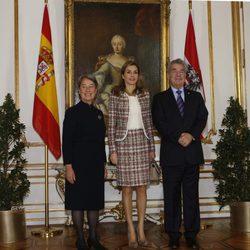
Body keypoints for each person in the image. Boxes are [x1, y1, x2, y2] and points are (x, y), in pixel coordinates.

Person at [152, 58, 208, 249]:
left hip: (192, 154)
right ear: (168, 75)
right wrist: (179, 136)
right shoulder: (159, 99)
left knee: (191, 196)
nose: (177, 74)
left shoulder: (195, 97)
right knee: (172, 197)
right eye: (174, 71)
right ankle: (173, 234)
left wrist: (191, 135)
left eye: (181, 71)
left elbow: (202, 118)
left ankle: (192, 234)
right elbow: (160, 123)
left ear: (185, 75)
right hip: (172, 155)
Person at [108, 61, 155, 248]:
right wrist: (112, 150)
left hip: (142, 143)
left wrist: (152, 148)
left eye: (135, 72)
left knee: (142, 188)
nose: (132, 75)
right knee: (127, 189)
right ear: (123, 75)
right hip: (123, 144)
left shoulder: (145, 95)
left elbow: (149, 123)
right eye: (129, 72)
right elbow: (111, 125)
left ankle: (141, 229)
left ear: (138, 75)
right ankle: (130, 230)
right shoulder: (115, 95)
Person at [62, 74, 107, 250]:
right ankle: (80, 239)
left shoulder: (98, 114)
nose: (88, 90)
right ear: (79, 91)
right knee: (78, 202)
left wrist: (103, 164)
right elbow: (66, 141)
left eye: (91, 87)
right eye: (84, 87)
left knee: (94, 202)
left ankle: (93, 238)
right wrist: (68, 166)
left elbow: (100, 142)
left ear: (96, 91)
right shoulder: (72, 113)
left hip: (95, 165)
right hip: (77, 165)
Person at [94, 34, 134, 116]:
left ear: (123, 46)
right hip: (111, 89)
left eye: (119, 44)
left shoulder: (128, 61)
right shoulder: (108, 59)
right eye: (114, 44)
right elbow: (101, 72)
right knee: (105, 99)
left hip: (126, 89)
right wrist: (98, 81)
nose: (117, 47)